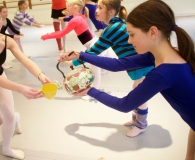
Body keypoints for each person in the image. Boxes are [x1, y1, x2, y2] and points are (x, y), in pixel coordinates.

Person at [59, 0, 195, 159]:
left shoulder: (162, 72)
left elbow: (124, 105)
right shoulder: (159, 55)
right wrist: (80, 55)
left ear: (152, 32)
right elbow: (117, 65)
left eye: (132, 35)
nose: (129, 41)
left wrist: (89, 90)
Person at [0, 1, 51, 159]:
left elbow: (25, 60)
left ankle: (6, 148)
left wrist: (40, 75)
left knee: (9, 116)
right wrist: (21, 88)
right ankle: (16, 117)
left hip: (0, 76)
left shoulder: (7, 40)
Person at [65, 0, 153, 137]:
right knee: (137, 91)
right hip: (137, 66)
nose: (96, 10)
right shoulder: (116, 24)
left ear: (111, 11)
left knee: (140, 97)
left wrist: (73, 63)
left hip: (142, 66)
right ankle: (136, 120)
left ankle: (141, 125)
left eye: (100, 7)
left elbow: (94, 51)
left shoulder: (112, 29)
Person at [41, 0, 108, 101]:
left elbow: (61, 33)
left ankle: (93, 93)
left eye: (69, 6)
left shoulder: (76, 20)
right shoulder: (80, 16)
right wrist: (65, 16)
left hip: (93, 46)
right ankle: (101, 71)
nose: (67, 8)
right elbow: (70, 17)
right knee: (94, 67)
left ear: (76, 7)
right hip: (95, 43)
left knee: (95, 70)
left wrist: (47, 36)